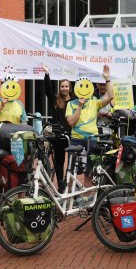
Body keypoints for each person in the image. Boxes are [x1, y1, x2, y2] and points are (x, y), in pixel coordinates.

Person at [66, 65, 113, 185]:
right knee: (72, 170)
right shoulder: (71, 104)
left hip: (92, 140)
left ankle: (86, 198)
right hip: (76, 140)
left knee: (90, 171)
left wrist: (107, 78)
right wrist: (80, 106)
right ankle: (71, 197)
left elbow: (111, 96)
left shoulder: (94, 102)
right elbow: (71, 122)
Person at [43, 64, 73, 193]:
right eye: (62, 86)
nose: (64, 88)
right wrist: (47, 74)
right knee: (59, 161)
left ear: (70, 88)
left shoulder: (75, 101)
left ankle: (70, 183)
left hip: (72, 135)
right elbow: (47, 90)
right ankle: (61, 184)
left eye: (66, 86)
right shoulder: (55, 100)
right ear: (59, 88)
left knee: (72, 162)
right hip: (58, 136)